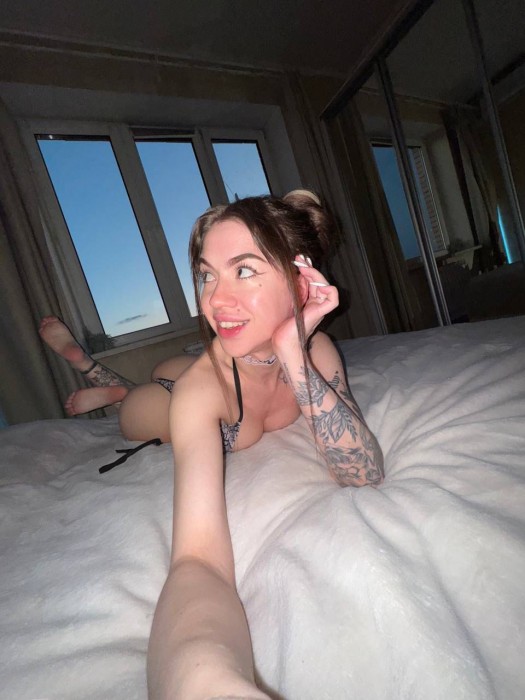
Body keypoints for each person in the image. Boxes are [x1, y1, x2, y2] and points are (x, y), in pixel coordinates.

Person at [41, 190, 384, 698]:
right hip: (172, 396)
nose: (215, 301)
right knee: (140, 410)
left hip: (216, 366)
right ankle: (104, 381)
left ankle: (118, 383)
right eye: (207, 275)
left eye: (243, 270)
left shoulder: (318, 351)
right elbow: (196, 560)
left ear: (300, 280)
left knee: (176, 375)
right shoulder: (199, 396)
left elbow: (363, 473)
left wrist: (293, 354)